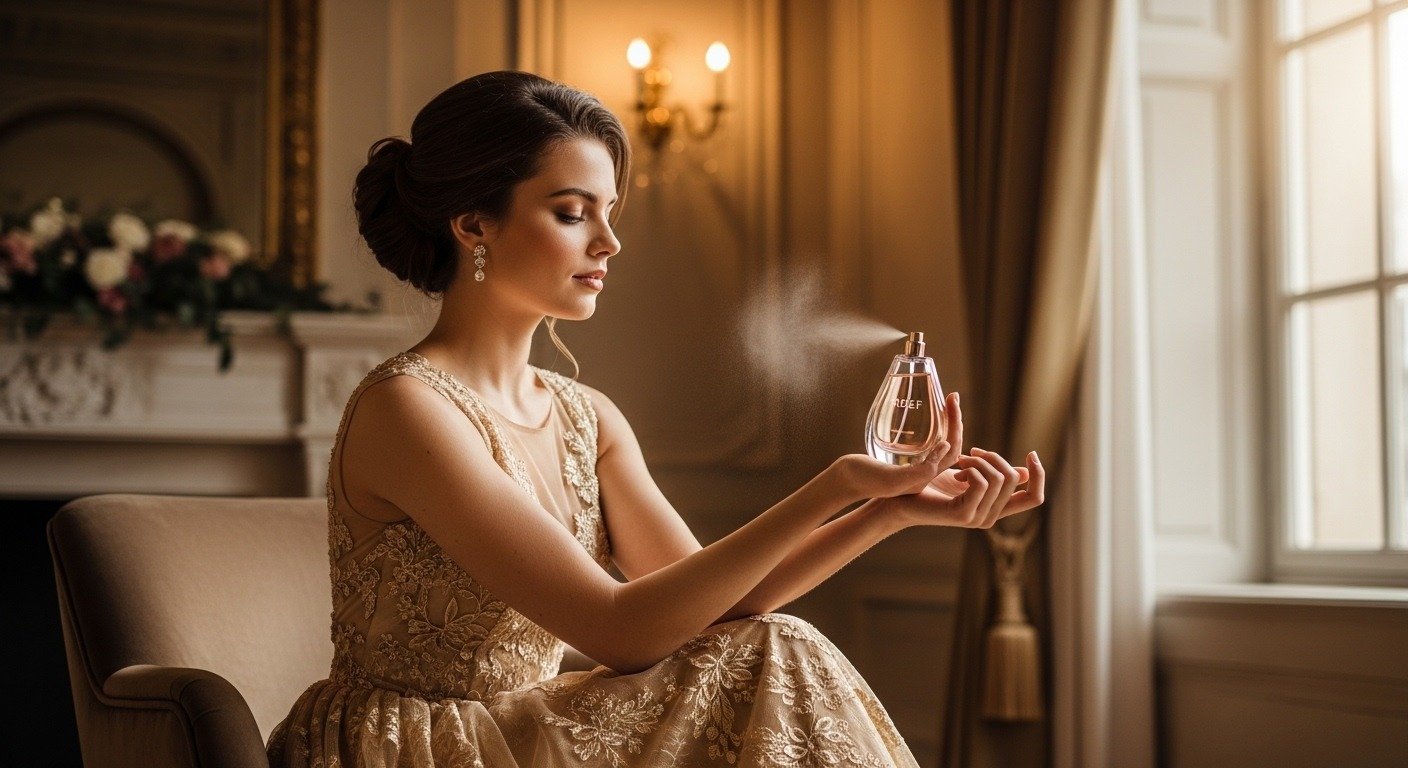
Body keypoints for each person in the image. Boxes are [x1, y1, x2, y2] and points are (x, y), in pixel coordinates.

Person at [266, 70, 1045, 768]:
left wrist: (887, 511)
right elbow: (620, 630)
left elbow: (719, 608)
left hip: (525, 734)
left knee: (776, 640)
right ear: (473, 225)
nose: (609, 242)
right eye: (572, 213)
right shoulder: (408, 409)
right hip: (411, 747)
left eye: (607, 212)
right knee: (777, 650)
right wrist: (837, 482)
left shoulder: (587, 417)